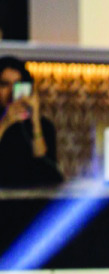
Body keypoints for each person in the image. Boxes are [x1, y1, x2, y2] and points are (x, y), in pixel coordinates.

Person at [0, 56, 63, 187]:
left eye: (18, 84)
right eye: (5, 84)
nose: (12, 91)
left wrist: (35, 120)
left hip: (32, 200)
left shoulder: (43, 125)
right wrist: (5, 122)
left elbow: (44, 163)